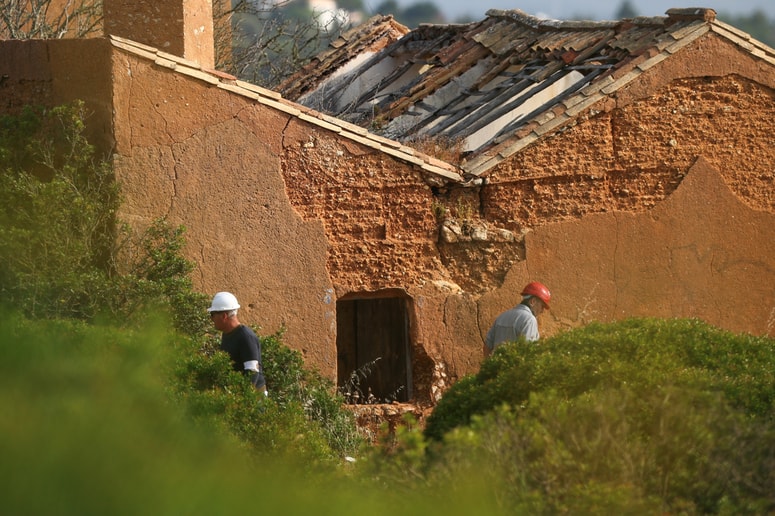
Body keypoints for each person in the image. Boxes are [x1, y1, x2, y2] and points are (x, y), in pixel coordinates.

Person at [208, 291, 267, 393]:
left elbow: (252, 372)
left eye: (213, 314)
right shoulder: (227, 334)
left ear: (224, 316)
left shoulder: (246, 336)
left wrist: (242, 399)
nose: (211, 319)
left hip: (253, 399)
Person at [484, 281, 551, 355]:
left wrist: (490, 365)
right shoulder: (529, 320)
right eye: (542, 306)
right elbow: (528, 351)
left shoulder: (502, 317)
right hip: (516, 366)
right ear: (533, 301)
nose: (542, 311)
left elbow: (487, 346)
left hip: (496, 365)